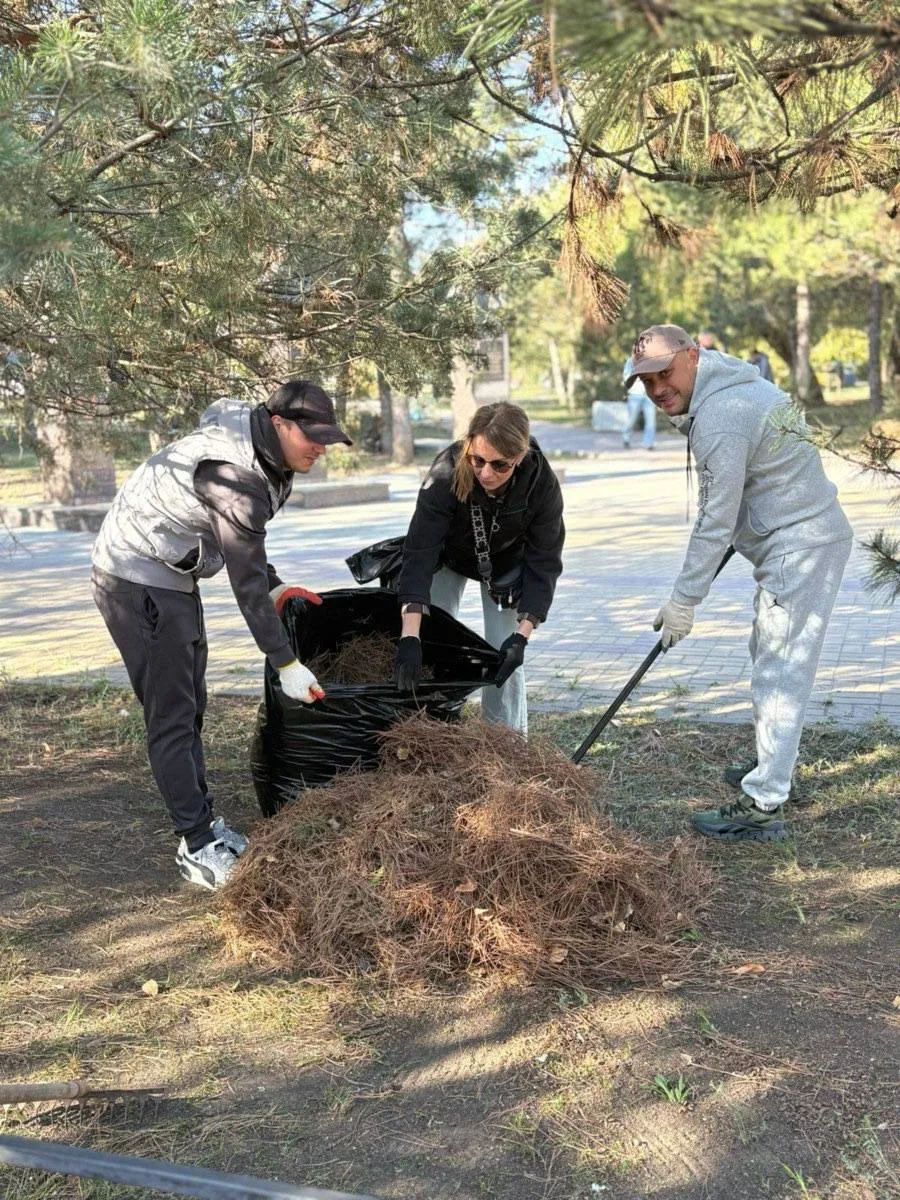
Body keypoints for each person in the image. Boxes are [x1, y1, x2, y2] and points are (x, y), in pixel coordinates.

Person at [91, 380, 352, 890]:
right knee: (172, 714)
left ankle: (204, 824)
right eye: (313, 436)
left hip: (167, 573)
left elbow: (244, 549)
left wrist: (276, 587)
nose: (321, 447)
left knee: (192, 702)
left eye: (328, 436)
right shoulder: (234, 473)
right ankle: (196, 845)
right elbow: (244, 583)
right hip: (134, 577)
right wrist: (286, 662)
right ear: (279, 424)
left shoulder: (267, 455)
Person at [626, 325, 853, 843]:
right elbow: (749, 484)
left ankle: (765, 801)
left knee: (780, 670)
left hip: (801, 545)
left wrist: (684, 600)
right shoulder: (730, 385)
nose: (658, 388)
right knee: (767, 654)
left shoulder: (722, 416)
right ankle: (773, 760)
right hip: (793, 535)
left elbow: (714, 517)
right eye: (646, 381)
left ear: (691, 356)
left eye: (665, 374)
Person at [393, 402, 564, 736]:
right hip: (449, 556)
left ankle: (503, 742)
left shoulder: (541, 483)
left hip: (505, 562)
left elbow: (544, 562)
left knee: (504, 655)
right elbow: (419, 552)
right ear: (468, 446)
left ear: (520, 456)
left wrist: (522, 636)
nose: (486, 473)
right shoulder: (446, 472)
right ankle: (429, 730)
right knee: (430, 639)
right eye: (478, 460)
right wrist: (409, 635)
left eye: (500, 465)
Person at [621, 358, 656, 450]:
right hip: (635, 395)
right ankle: (626, 438)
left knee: (651, 421)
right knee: (631, 420)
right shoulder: (631, 361)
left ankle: (648, 443)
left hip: (649, 395)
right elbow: (626, 377)